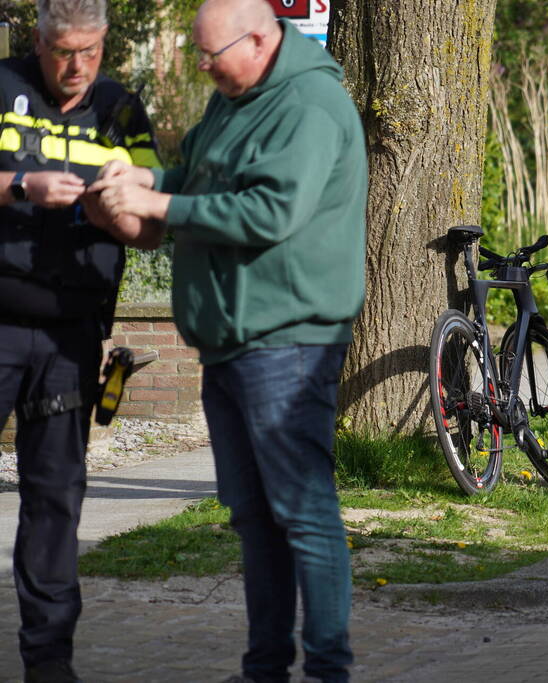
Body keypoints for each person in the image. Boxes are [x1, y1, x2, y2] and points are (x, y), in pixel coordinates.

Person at [88, 0, 368, 680]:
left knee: (302, 513)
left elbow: (272, 209)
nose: (206, 69)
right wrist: (151, 178)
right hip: (230, 339)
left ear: (261, 39)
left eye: (214, 56)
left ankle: (329, 667)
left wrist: (160, 207)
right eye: (200, 56)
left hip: (288, 337)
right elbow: (205, 178)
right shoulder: (235, 96)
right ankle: (264, 665)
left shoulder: (307, 104)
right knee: (252, 517)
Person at [0, 0, 159, 680]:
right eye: (64, 51)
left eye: (90, 51)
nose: (77, 67)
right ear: (38, 41)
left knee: (56, 497)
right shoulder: (3, 85)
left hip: (72, 335)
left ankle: (49, 662)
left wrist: (123, 205)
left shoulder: (121, 107)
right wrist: (17, 185)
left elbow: (151, 219)